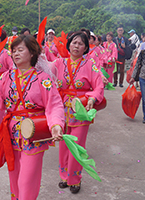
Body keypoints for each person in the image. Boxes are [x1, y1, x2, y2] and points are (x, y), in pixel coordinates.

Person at [0, 35, 65, 200]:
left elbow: (54, 104)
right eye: (13, 51)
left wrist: (55, 124)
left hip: (33, 133)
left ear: (32, 53)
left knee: (27, 180)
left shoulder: (43, 79)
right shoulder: (7, 77)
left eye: (20, 50)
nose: (15, 54)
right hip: (11, 133)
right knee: (14, 174)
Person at [51, 31, 104, 194]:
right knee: (63, 144)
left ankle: (75, 179)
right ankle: (64, 176)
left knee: (77, 145)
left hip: (80, 111)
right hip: (62, 110)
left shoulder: (90, 65)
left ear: (86, 48)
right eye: (74, 42)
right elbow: (46, 80)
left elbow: (99, 86)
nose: (77, 46)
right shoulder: (58, 63)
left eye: (81, 43)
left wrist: (92, 98)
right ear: (68, 45)